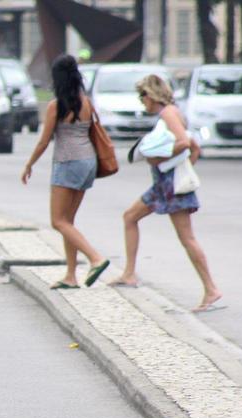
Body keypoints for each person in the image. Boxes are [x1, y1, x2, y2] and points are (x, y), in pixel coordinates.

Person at [112, 75, 222, 313]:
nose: (141, 101)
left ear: (151, 95)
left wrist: (160, 157)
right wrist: (183, 165)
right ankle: (129, 273)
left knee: (187, 238)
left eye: (142, 96)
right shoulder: (172, 113)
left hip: (170, 185)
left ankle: (211, 289)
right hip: (163, 184)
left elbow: (185, 142)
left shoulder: (168, 114)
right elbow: (195, 148)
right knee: (130, 217)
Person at [20, 54, 109, 289]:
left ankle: (95, 258)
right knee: (68, 221)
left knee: (58, 221)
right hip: (88, 162)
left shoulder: (56, 106)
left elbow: (43, 141)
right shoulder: (86, 102)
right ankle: (71, 275)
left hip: (68, 162)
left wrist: (29, 164)